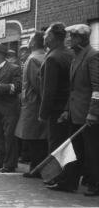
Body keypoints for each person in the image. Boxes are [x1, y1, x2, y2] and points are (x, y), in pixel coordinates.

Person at [47, 24, 99, 195]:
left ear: (81, 39)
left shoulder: (93, 56)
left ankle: (95, 184)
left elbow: (97, 88)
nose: (69, 40)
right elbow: (73, 89)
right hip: (75, 113)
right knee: (74, 150)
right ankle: (69, 182)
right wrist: (66, 110)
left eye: (73, 37)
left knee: (92, 151)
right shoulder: (76, 57)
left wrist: (93, 112)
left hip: (88, 115)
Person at [15, 31, 47, 178]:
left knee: (34, 138)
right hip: (35, 103)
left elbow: (37, 84)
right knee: (37, 138)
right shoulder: (41, 56)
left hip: (33, 104)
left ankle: (36, 168)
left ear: (34, 42)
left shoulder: (34, 58)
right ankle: (37, 166)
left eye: (30, 39)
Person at [38, 23, 74, 155]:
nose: (44, 36)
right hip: (69, 108)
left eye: (46, 34)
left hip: (56, 110)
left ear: (52, 37)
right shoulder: (70, 53)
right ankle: (67, 174)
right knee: (67, 146)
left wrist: (43, 114)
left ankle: (57, 176)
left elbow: (49, 90)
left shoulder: (52, 58)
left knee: (55, 146)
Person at [0, 42, 22, 173]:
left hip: (10, 108)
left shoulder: (14, 68)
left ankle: (10, 163)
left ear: (0, 54)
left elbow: (17, 87)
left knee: (9, 137)